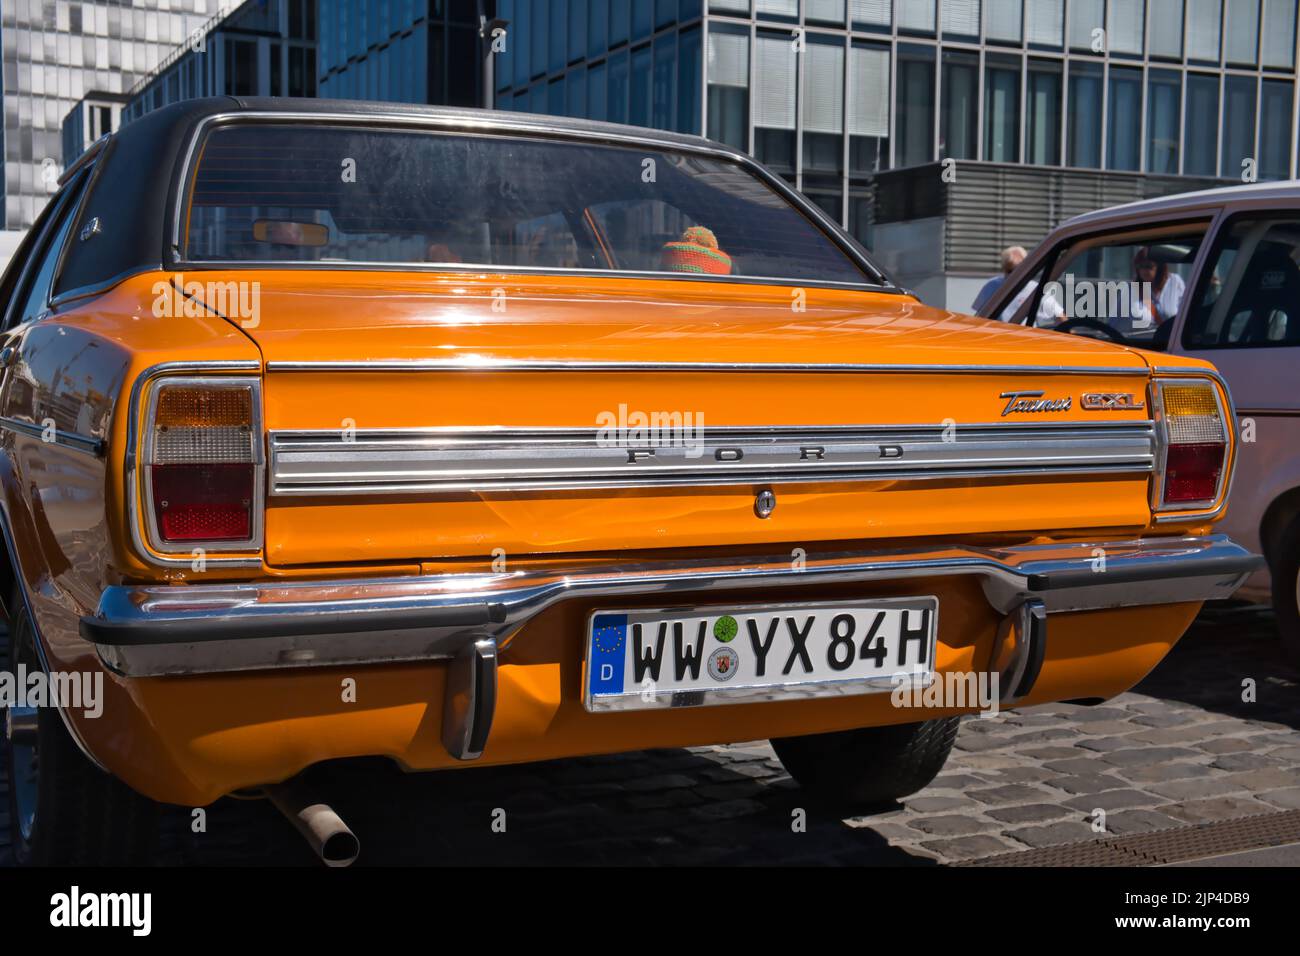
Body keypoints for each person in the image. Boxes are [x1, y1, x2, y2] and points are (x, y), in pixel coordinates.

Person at [1130, 247, 1185, 329]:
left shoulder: (1175, 281)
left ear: (1159, 267)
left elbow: (1185, 314)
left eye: (1148, 266)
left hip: (1171, 339)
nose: (1144, 270)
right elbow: (1116, 321)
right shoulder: (1133, 289)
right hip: (1141, 339)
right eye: (1140, 266)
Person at [972, 245, 1027, 313]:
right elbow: (979, 314)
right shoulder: (992, 285)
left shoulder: (1034, 289)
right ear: (1004, 268)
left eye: (1018, 271)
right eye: (1010, 271)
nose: (1013, 276)